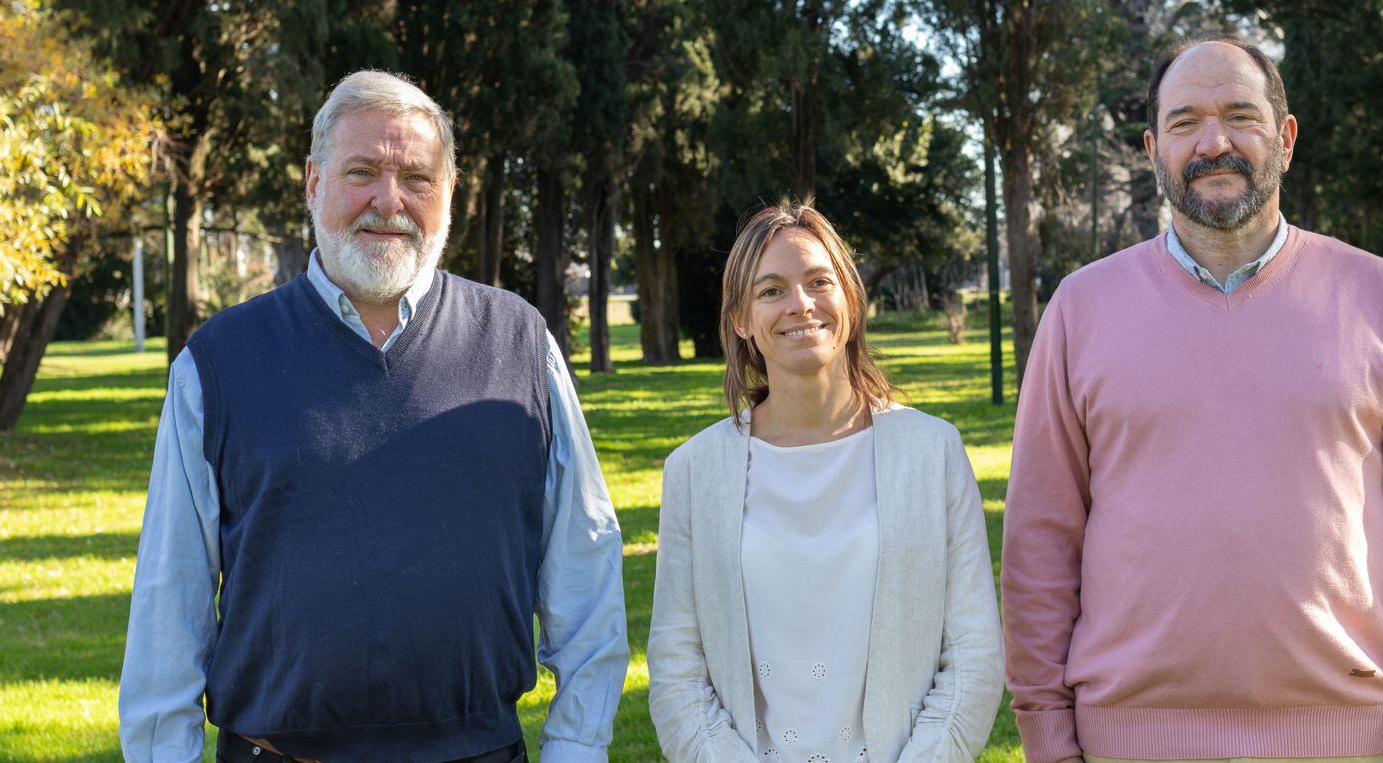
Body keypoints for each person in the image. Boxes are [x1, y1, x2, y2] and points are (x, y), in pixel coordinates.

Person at [119, 70, 628, 763]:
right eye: (362, 172)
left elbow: (585, 565)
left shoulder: (519, 343)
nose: (388, 201)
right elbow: (167, 601)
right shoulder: (218, 363)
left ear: (448, 194)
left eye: (416, 177)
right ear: (312, 183)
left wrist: (575, 747)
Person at [1001, 38, 1383, 763]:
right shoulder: (1080, 310)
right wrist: (1045, 730)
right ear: (1154, 148)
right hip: (1129, 741)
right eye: (1185, 120)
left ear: (1285, 139)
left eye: (1239, 116)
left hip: (1340, 741)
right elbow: (1039, 541)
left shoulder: (1381, 298)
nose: (1213, 142)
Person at [647, 202, 1004, 762]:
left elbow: (973, 656)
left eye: (819, 281)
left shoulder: (932, 453)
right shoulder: (694, 471)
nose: (801, 305)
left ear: (851, 300)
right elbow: (676, 673)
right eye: (771, 291)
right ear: (741, 319)